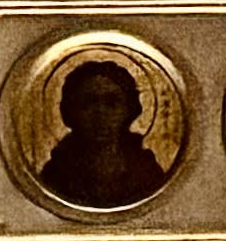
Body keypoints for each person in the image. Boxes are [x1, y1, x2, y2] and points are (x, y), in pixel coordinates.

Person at [37, 57, 167, 212]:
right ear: (71, 111)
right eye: (88, 103)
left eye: (112, 103)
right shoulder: (57, 173)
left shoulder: (145, 170)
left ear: (128, 109)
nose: (100, 113)